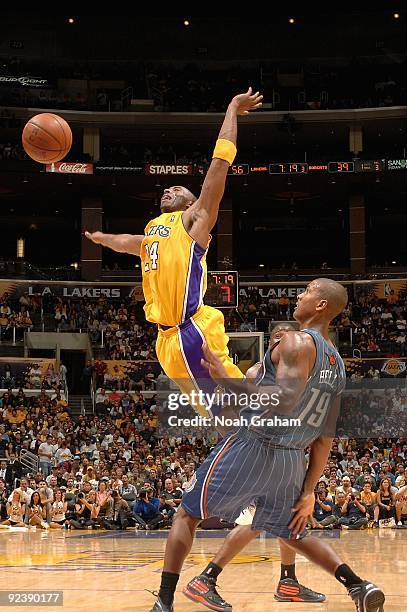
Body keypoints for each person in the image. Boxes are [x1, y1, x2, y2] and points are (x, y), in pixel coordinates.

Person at [150, 278, 385, 612]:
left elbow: (285, 400)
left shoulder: (297, 343)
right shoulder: (338, 365)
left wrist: (224, 379)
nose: (299, 296)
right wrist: (309, 489)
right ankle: (358, 586)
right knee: (291, 532)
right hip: (292, 460)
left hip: (254, 445)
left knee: (186, 515)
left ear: (321, 305)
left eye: (306, 292)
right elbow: (325, 435)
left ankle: (165, 601)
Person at [85, 88, 262, 417]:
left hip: (188, 330)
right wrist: (102, 238)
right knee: (216, 412)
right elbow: (131, 243)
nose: (168, 189)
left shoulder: (194, 219)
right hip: (165, 339)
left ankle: (266, 447)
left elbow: (219, 165)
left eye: (177, 187)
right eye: (166, 188)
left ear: (194, 202)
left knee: (229, 411)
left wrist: (232, 109)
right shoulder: (155, 228)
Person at [183, 324, 326, 606]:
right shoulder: (255, 373)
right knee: (261, 522)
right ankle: (207, 577)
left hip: (284, 454)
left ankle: (287, 581)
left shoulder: (299, 370)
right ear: (271, 344)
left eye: (289, 336)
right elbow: (234, 411)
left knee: (288, 517)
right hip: (256, 454)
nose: (284, 340)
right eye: (278, 336)